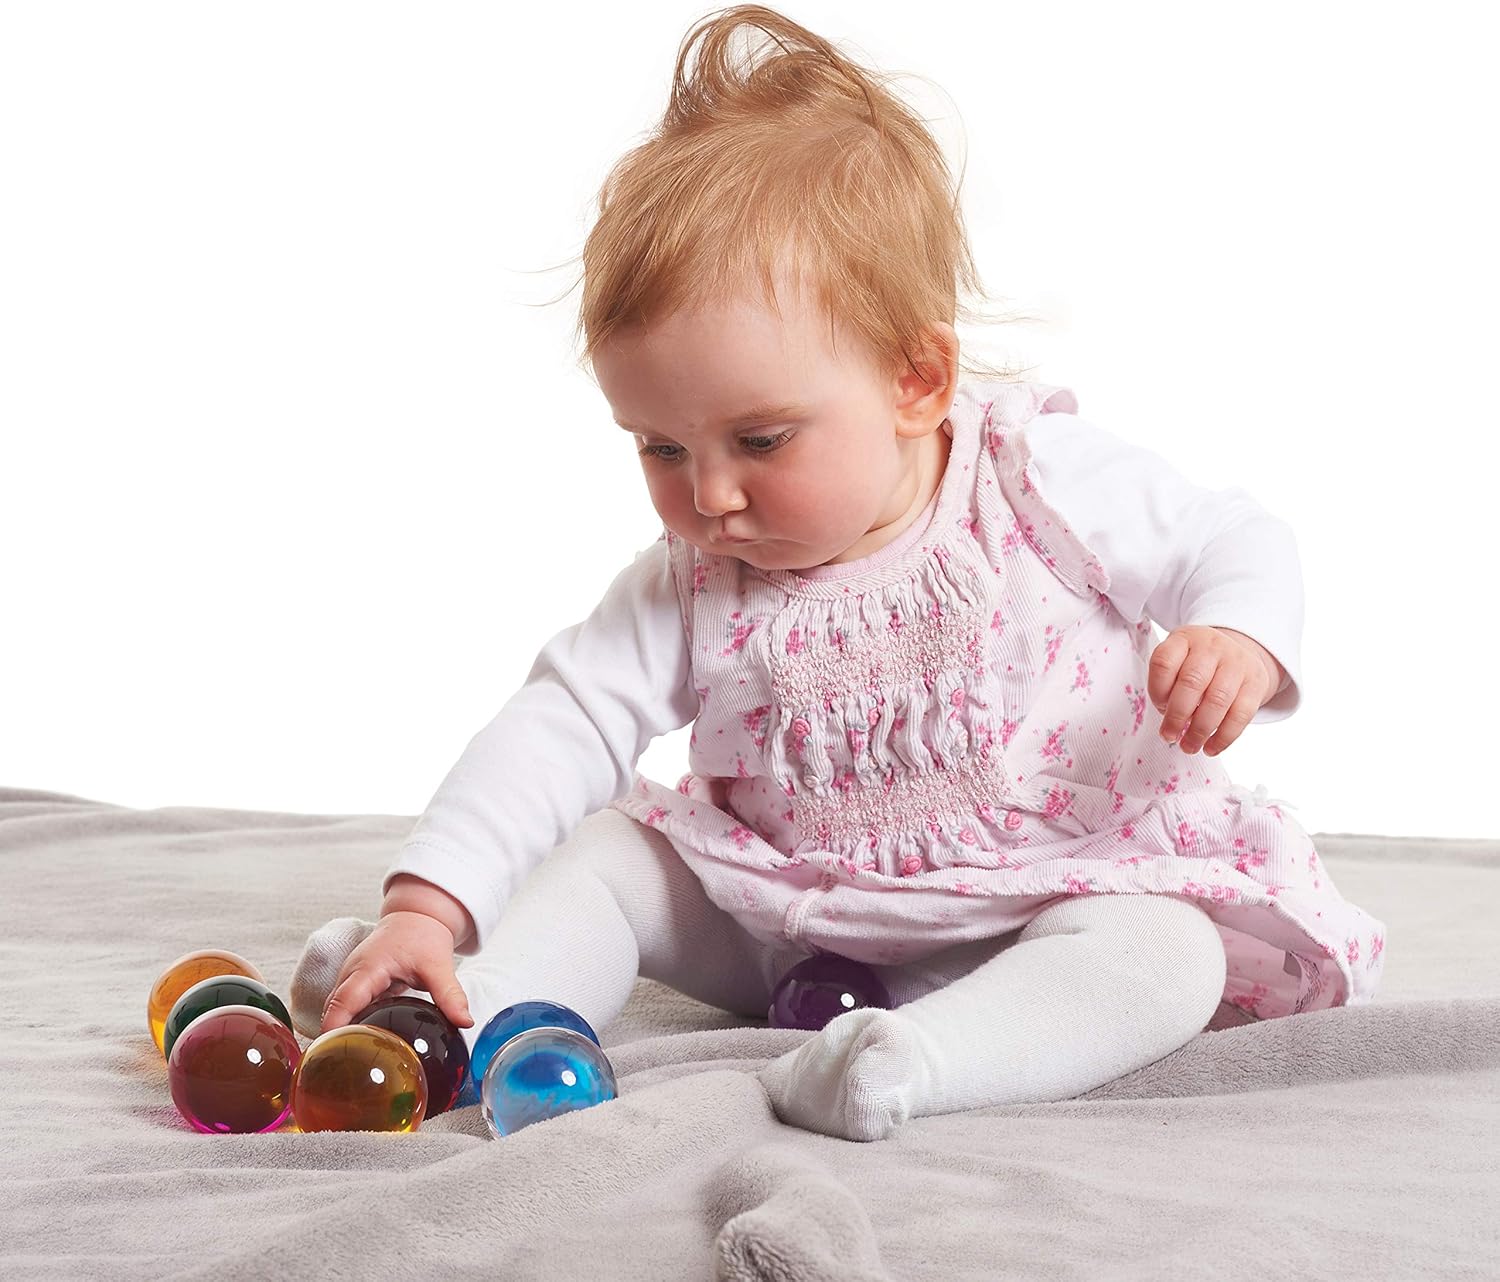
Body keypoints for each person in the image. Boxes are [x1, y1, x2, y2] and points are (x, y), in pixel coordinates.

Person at [290, 4, 1386, 1142]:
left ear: (916, 381)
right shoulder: (696, 577)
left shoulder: (1036, 479)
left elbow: (1230, 539)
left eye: (760, 440)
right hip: (787, 912)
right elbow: (560, 721)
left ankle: (915, 1062)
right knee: (607, 856)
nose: (710, 496)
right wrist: (427, 902)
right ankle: (448, 1007)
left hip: (1041, 901)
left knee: (1166, 953)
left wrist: (1239, 635)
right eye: (660, 447)